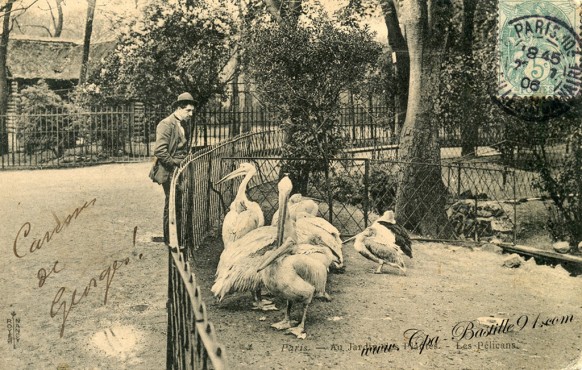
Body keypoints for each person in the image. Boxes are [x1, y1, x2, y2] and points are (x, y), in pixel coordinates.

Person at [150, 92, 195, 245]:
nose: (191, 114)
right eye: (188, 110)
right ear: (179, 108)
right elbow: (160, 151)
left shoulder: (183, 124)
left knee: (178, 203)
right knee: (172, 203)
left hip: (179, 170)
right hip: (169, 171)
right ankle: (170, 239)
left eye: (192, 111)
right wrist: (175, 164)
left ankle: (178, 236)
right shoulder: (166, 124)